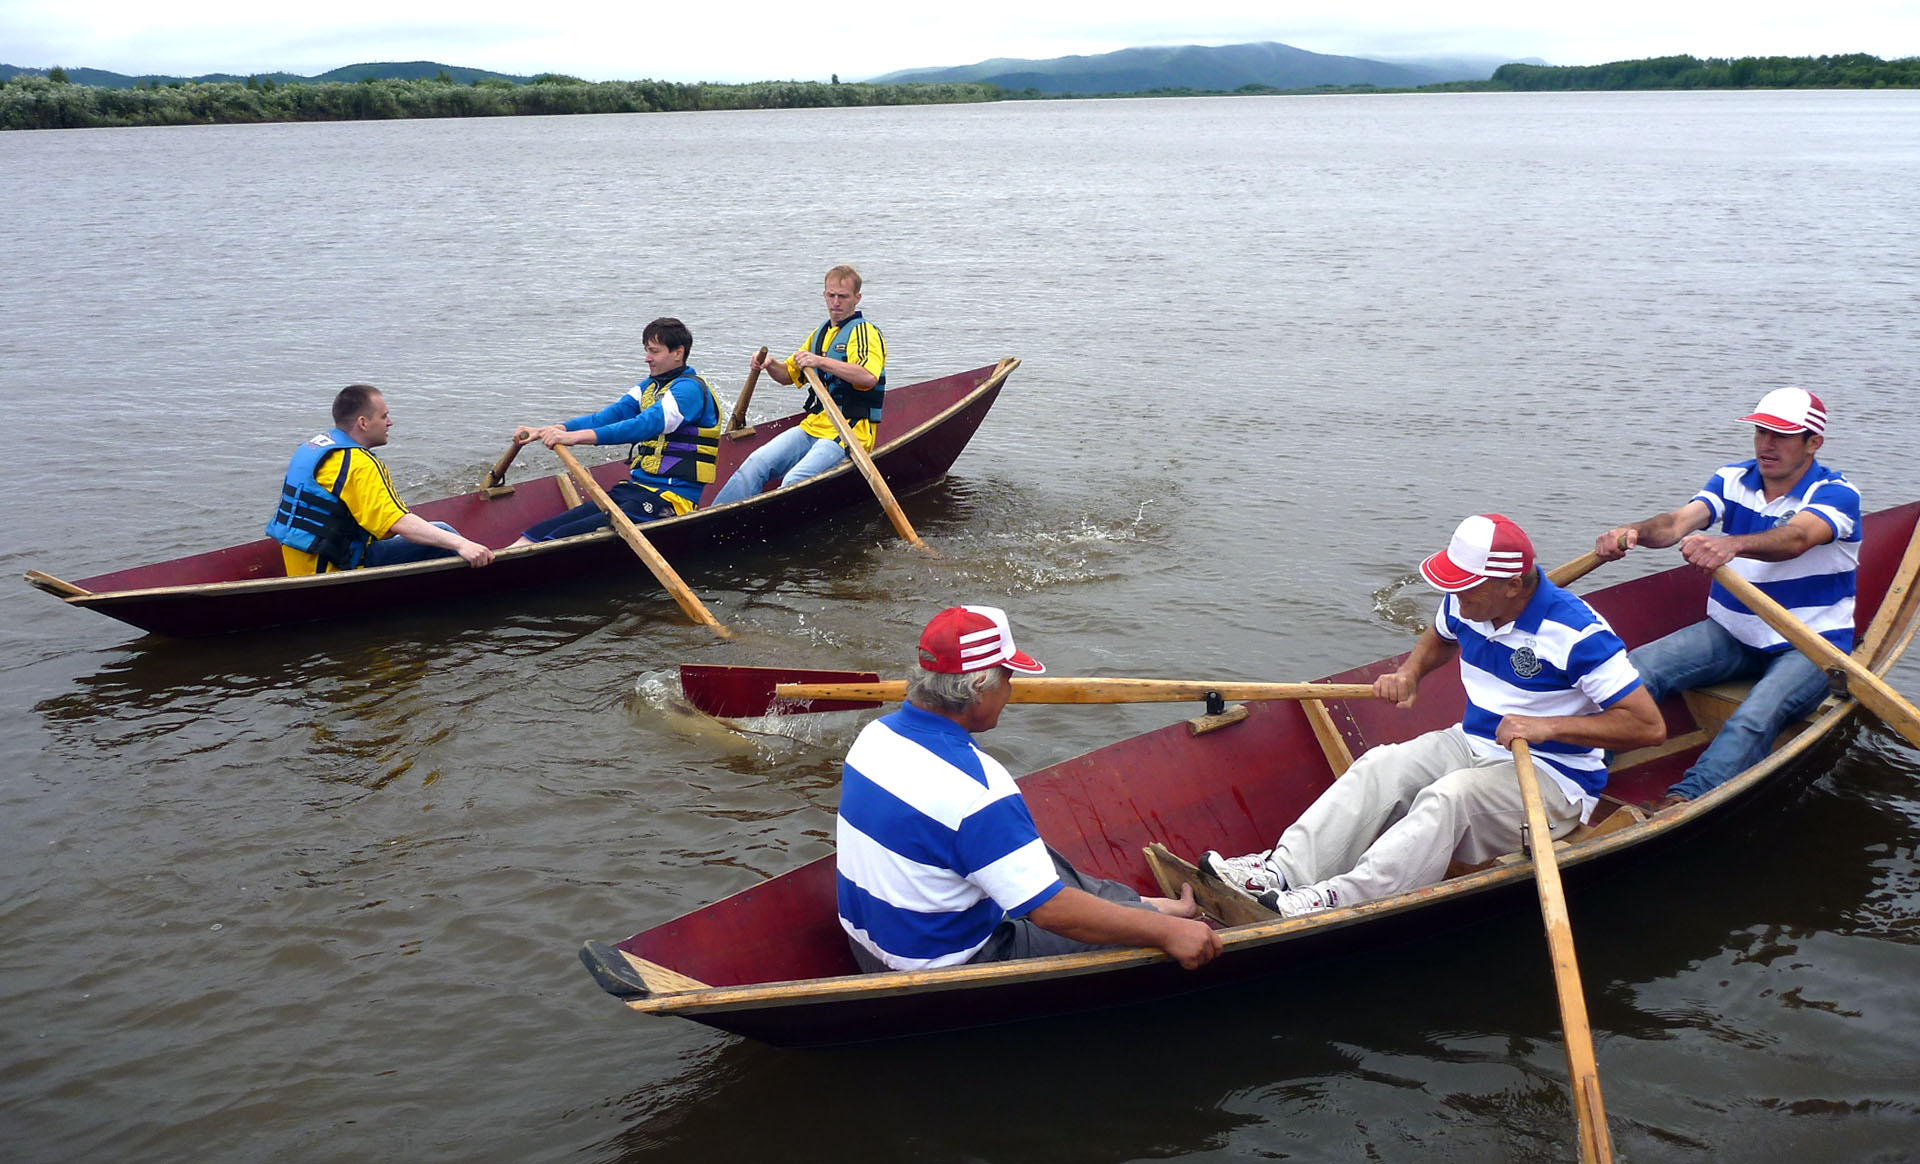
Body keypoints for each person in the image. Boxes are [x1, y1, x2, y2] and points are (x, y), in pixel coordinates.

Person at [1202, 514, 1665, 918]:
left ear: (1510, 585)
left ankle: (1339, 898)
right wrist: (1410, 673)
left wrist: (1547, 727)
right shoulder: (1467, 601)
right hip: (1472, 742)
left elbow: (1648, 726)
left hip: (1554, 778)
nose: (1452, 596)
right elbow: (1440, 637)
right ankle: (1279, 872)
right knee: (1381, 765)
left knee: (1450, 798)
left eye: (1464, 587)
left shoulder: (1578, 632)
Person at [835, 604, 1221, 973]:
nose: (1011, 692)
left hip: (865, 949)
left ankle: (1144, 904)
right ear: (979, 686)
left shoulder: (874, 736)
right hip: (949, 965)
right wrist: (1167, 934)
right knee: (1089, 915)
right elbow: (1052, 914)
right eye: (1007, 679)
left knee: (1030, 853)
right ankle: (1164, 918)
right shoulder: (979, 786)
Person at [1593, 387, 1862, 808]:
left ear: (1814, 443)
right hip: (1734, 633)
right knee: (1634, 671)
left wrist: (1732, 544)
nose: (1766, 445)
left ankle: (1686, 799)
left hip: (1809, 645)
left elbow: (1796, 538)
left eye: (1782, 436)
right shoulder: (1732, 479)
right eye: (1761, 432)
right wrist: (1633, 533)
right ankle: (1580, 764)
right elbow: (1675, 524)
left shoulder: (1836, 494)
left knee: (1757, 714)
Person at [507, 318, 724, 545]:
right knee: (540, 531)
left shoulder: (690, 390)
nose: (646, 358)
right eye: (646, 350)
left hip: (672, 500)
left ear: (678, 353)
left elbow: (643, 426)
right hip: (636, 489)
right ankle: (510, 553)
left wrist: (573, 439)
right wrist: (551, 430)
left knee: (564, 535)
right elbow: (607, 417)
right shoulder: (649, 387)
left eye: (653, 351)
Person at [266, 384, 493, 575]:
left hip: (301, 563)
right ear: (363, 423)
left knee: (436, 532)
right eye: (384, 416)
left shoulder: (316, 446)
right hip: (332, 569)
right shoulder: (358, 463)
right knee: (446, 537)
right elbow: (400, 523)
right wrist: (463, 544)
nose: (390, 422)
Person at [710, 265, 886, 506]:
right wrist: (770, 364)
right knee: (755, 464)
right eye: (831, 295)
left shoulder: (865, 332)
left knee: (795, 480)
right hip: (814, 426)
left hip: (850, 430)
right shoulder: (820, 334)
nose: (835, 302)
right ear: (824, 295)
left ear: (857, 298)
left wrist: (820, 361)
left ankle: (772, 528)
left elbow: (868, 377)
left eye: (843, 296)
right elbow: (787, 375)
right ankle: (713, 519)